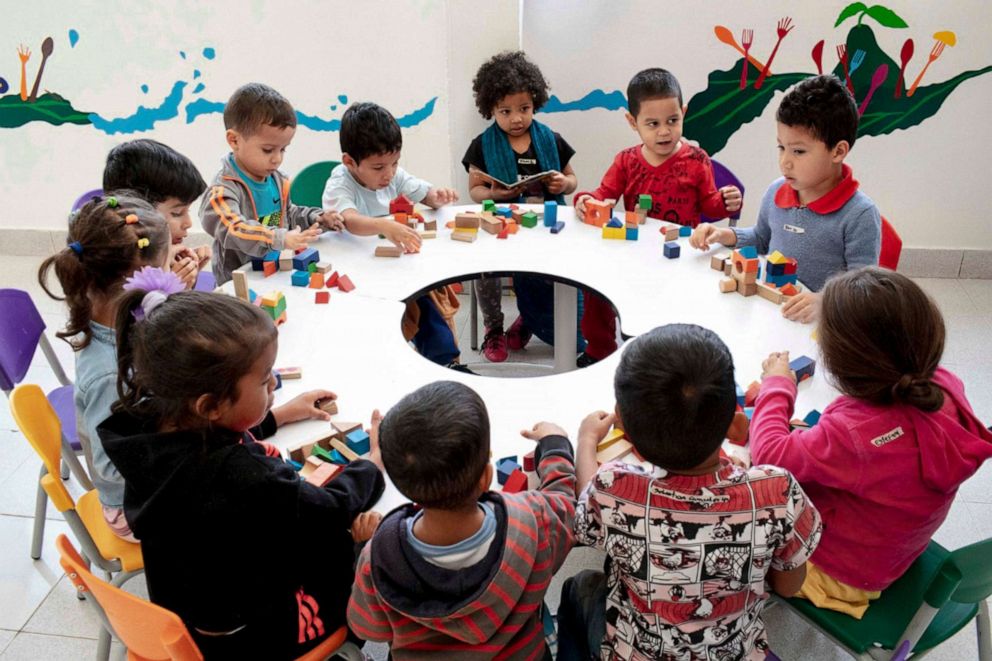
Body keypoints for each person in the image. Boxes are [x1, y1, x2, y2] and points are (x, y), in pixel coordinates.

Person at [100, 282, 385, 659]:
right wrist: (373, 464)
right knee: (367, 549)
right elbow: (329, 507)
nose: (274, 384)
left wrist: (277, 416)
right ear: (210, 405)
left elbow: (209, 437)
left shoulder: (149, 430)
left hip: (197, 613)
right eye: (265, 378)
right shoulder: (248, 478)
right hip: (259, 636)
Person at [560, 324, 821, 660]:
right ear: (737, 426)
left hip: (636, 652)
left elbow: (585, 515)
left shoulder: (612, 489)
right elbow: (788, 585)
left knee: (578, 586)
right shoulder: (777, 490)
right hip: (737, 653)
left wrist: (585, 441)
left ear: (624, 426)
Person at [750, 267, 992, 618]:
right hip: (896, 550)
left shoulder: (853, 435)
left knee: (733, 523)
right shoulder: (944, 383)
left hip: (843, 574)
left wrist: (777, 385)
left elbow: (769, 456)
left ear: (841, 364)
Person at [347, 380, 576, 658]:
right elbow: (567, 507)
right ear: (486, 478)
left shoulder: (378, 558)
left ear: (401, 486)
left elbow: (367, 629)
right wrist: (555, 445)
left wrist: (361, 549)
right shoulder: (532, 521)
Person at [574, 68, 742, 366]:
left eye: (672, 121)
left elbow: (710, 205)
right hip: (633, 251)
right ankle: (600, 348)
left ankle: (672, 354)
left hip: (680, 257)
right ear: (632, 122)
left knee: (677, 308)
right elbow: (604, 196)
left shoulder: (696, 159)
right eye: (652, 124)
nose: (664, 131)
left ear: (684, 113)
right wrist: (584, 199)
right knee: (597, 289)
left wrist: (726, 203)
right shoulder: (626, 161)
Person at [690, 74, 881, 324]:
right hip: (771, 311)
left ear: (838, 151)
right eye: (781, 147)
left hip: (821, 324)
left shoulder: (860, 215)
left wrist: (825, 301)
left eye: (798, 151)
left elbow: (863, 287)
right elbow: (761, 238)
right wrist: (725, 235)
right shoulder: (775, 191)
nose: (785, 161)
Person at [38, 194, 171, 540]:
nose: (170, 273)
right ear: (141, 278)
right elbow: (110, 467)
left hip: (149, 466)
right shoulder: (108, 373)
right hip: (130, 507)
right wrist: (176, 441)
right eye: (166, 265)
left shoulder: (114, 315)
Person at [322, 102, 468, 371]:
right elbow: (350, 220)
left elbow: (422, 192)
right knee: (380, 329)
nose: (388, 173)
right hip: (357, 279)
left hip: (396, 272)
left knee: (429, 312)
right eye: (378, 168)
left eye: (394, 163)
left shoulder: (392, 174)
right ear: (349, 162)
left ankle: (446, 363)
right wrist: (385, 226)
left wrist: (436, 196)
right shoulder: (339, 182)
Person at [463, 51, 579, 363]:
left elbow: (571, 179)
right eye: (506, 111)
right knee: (484, 269)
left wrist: (562, 185)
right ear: (491, 109)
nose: (516, 118)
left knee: (546, 271)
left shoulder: (550, 139)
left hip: (545, 225)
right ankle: (493, 327)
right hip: (501, 224)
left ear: (536, 103)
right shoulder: (482, 145)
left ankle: (529, 318)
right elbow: (474, 190)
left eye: (524, 109)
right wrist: (495, 194)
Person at [200, 83, 344, 284]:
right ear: (234, 140)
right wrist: (279, 239)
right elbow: (234, 228)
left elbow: (286, 216)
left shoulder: (277, 179)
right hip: (239, 282)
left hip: (276, 272)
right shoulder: (222, 191)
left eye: (283, 149)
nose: (277, 159)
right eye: (268, 150)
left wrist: (316, 217)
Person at [102, 138, 210, 289]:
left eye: (188, 210)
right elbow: (143, 310)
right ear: (137, 212)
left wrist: (188, 273)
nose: (188, 223)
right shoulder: (119, 268)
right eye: (177, 213)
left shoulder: (157, 253)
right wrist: (172, 286)